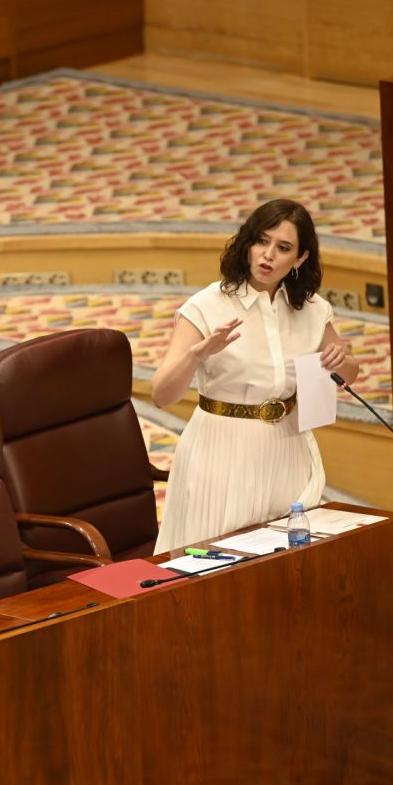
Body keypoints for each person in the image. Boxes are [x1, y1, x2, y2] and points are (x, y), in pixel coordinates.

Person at [151, 198, 360, 553]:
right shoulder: (206, 306)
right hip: (221, 449)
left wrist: (342, 360)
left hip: (287, 445)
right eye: (261, 242)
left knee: (284, 560)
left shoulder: (310, 309)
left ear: (300, 258)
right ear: (247, 244)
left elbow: (349, 371)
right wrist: (196, 354)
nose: (268, 255)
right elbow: (161, 395)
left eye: (283, 248)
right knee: (216, 563)